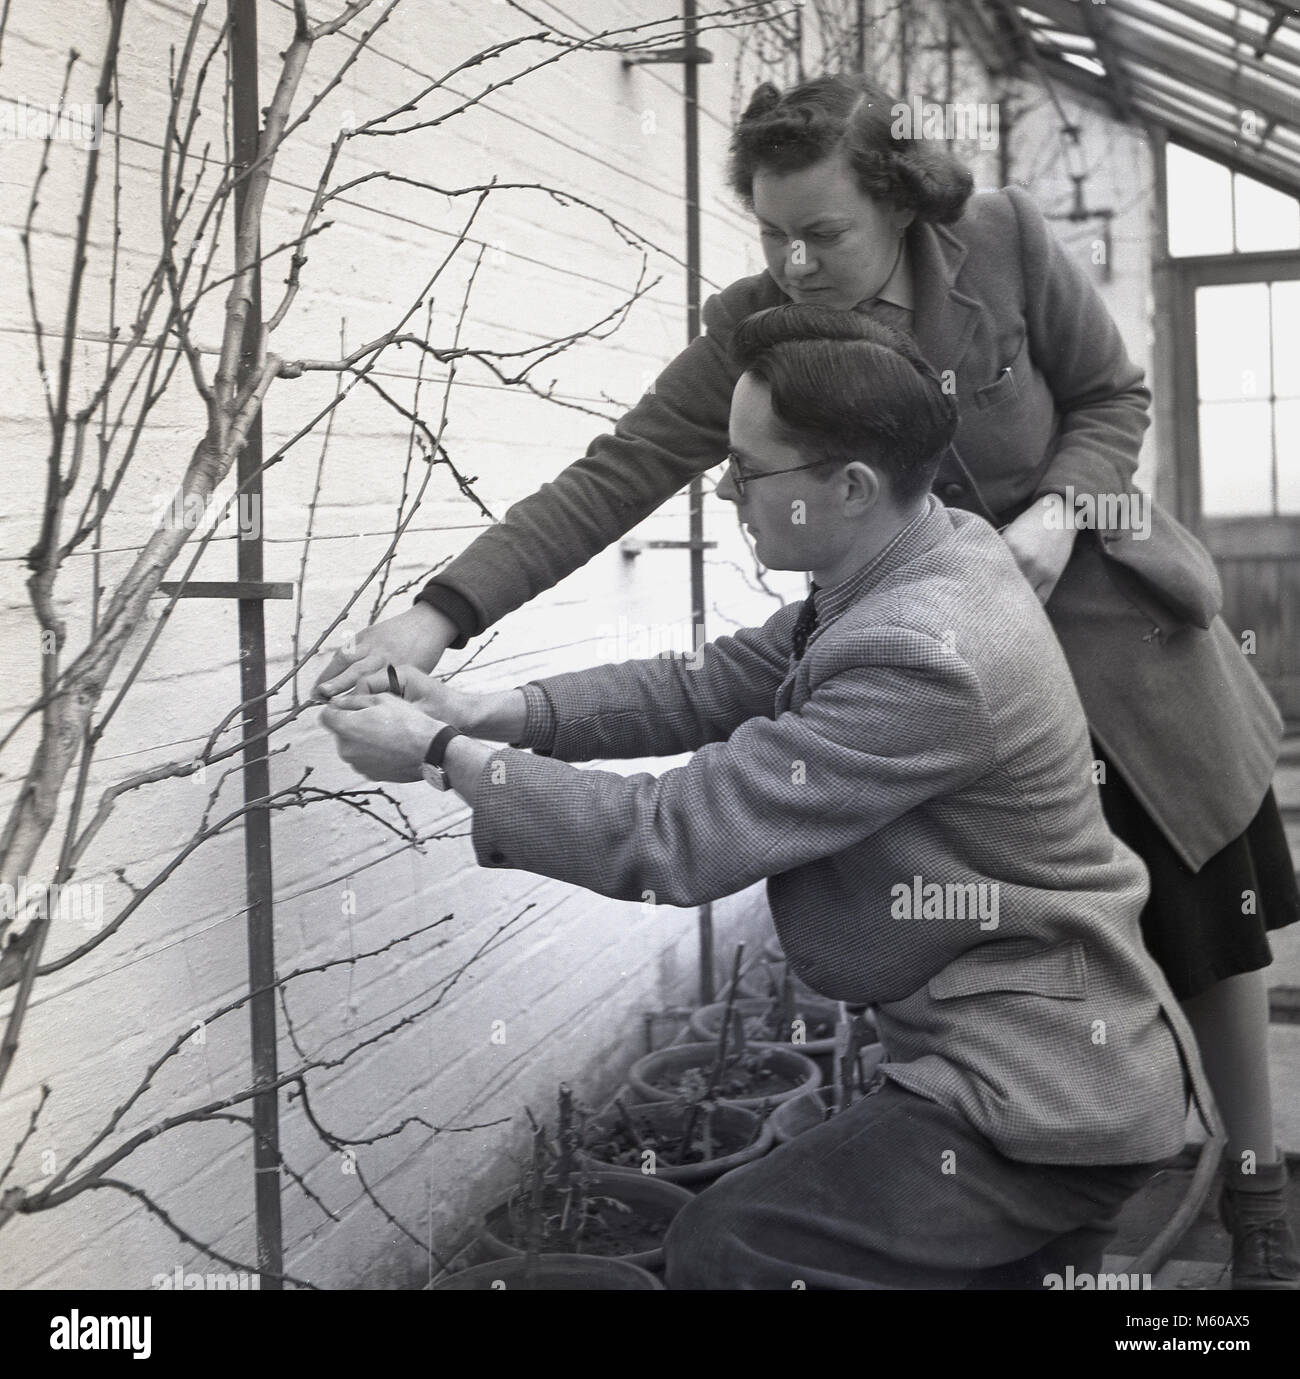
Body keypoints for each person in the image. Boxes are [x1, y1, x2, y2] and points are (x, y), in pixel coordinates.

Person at [315, 75, 1300, 1288]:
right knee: (1063, 953)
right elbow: (631, 511)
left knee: (1208, 935)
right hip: (958, 637)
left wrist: (1053, 514)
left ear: (894, 201)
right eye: (771, 234)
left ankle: (1248, 1206)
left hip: (1114, 648)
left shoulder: (997, 246)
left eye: (821, 233)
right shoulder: (766, 357)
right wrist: (446, 637)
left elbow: (1112, 396)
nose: (792, 262)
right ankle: (1086, 1181)